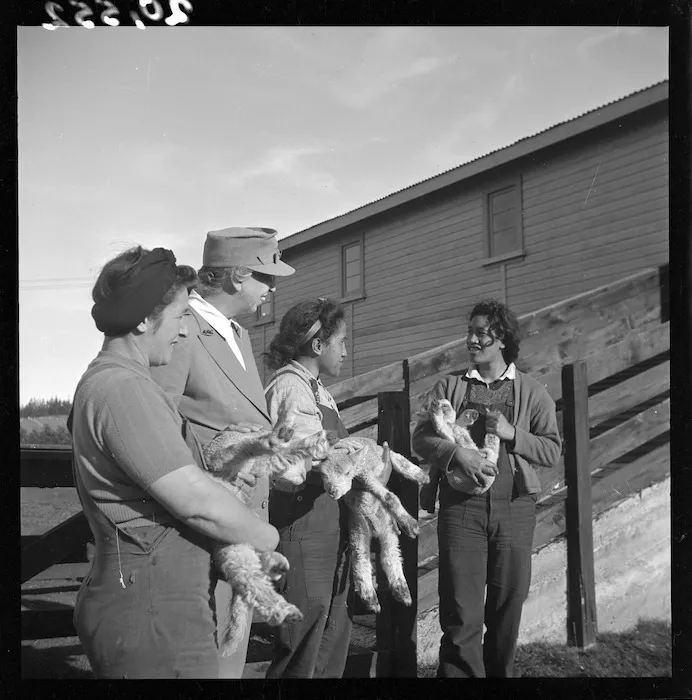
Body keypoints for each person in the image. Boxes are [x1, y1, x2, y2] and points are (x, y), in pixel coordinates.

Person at [69, 246, 279, 679]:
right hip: (151, 608)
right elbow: (194, 500)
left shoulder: (118, 382)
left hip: (156, 600)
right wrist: (265, 535)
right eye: (181, 316)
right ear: (145, 319)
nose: (184, 333)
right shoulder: (123, 389)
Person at [149, 226, 295, 678]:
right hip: (202, 531)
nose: (271, 289)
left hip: (243, 523)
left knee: (228, 655)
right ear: (235, 277)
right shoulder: (183, 330)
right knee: (203, 661)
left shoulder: (238, 334)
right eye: (264, 278)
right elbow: (157, 425)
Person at [411, 299, 561, 678]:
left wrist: (514, 435)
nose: (471, 340)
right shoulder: (451, 386)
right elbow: (421, 438)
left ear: (502, 340)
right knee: (461, 612)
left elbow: (551, 449)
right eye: (470, 332)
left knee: (507, 608)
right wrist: (456, 452)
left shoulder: (532, 391)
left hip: (514, 508)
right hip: (461, 510)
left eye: (481, 333)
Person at [262, 298, 355, 679]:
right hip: (303, 528)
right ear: (318, 345)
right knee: (302, 644)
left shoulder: (317, 390)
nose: (346, 351)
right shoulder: (290, 388)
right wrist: (355, 460)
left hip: (328, 527)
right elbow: (292, 467)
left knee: (332, 636)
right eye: (342, 342)